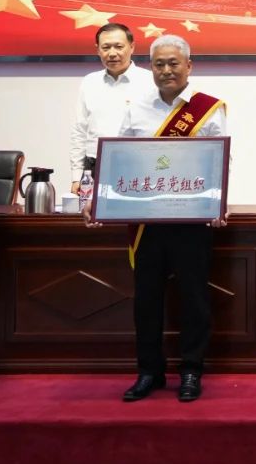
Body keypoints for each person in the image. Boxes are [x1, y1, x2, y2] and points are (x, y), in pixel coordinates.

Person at [85, 34, 228, 403]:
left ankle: (192, 369)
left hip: (192, 220)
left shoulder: (209, 109)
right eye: (159, 64)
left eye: (173, 63)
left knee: (194, 298)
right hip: (146, 221)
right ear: (151, 68)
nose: (166, 70)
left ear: (189, 66)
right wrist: (98, 198)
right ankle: (149, 371)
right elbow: (118, 158)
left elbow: (220, 162)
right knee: (146, 300)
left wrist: (218, 203)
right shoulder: (137, 109)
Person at [69, 23, 147, 194]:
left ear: (132, 47)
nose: (112, 53)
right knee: (92, 211)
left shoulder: (149, 81)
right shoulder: (89, 82)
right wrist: (76, 176)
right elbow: (79, 131)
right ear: (98, 50)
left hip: (137, 165)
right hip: (94, 166)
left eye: (119, 46)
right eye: (106, 47)